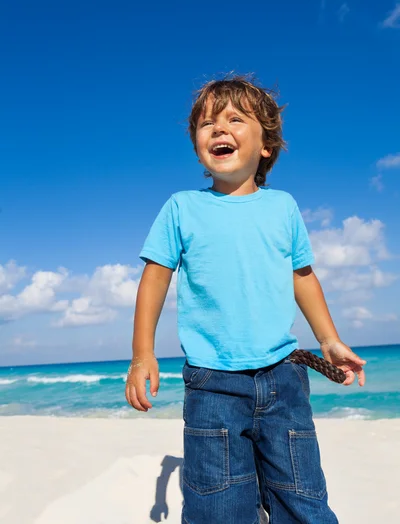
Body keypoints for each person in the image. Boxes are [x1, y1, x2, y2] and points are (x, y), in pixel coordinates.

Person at [125, 74, 366, 523]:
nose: (219, 129)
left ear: (265, 146)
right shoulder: (181, 207)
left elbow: (303, 276)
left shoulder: (283, 207)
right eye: (207, 123)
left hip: (284, 379)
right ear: (198, 144)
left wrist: (329, 339)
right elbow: (154, 278)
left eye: (235, 119)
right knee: (219, 506)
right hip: (212, 384)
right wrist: (143, 354)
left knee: (303, 498)